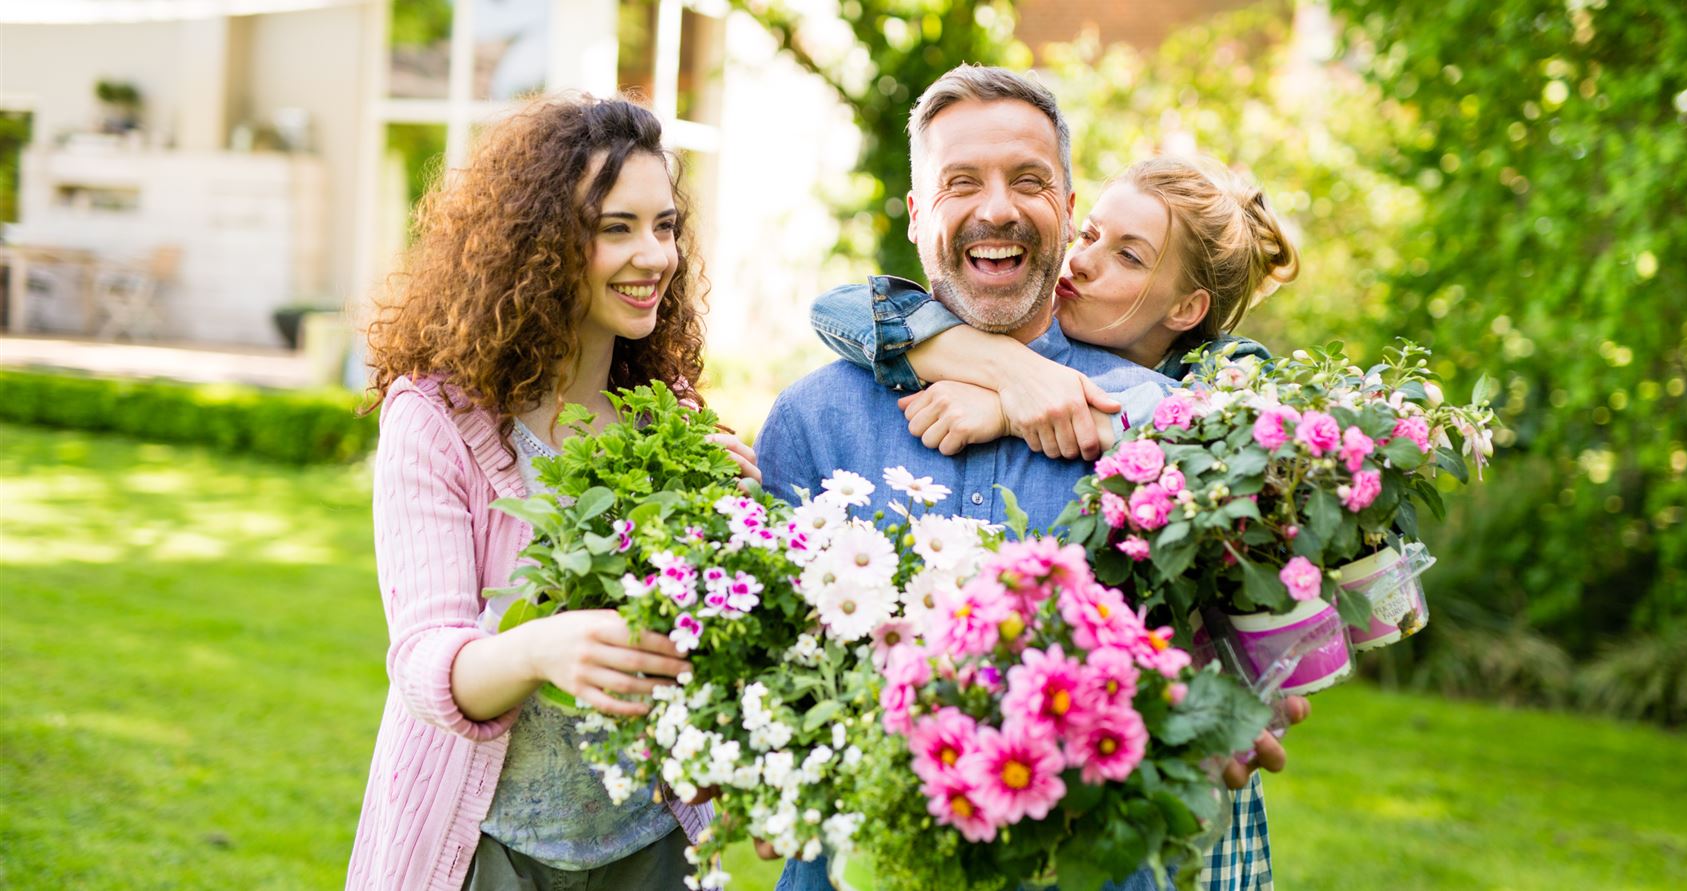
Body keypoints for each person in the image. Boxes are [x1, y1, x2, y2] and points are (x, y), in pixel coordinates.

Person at [757, 65, 1301, 891]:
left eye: (1030, 181)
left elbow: (1228, 641)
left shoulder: (1159, 424)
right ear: (917, 216)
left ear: (1068, 212)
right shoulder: (810, 422)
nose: (998, 207)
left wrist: (1224, 708)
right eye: (961, 182)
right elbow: (767, 675)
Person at [346, 95, 756, 891]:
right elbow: (425, 661)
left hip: (647, 848)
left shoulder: (669, 418)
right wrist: (540, 648)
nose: (655, 255)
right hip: (486, 851)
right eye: (616, 228)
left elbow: (702, 646)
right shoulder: (437, 420)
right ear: (541, 245)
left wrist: (733, 522)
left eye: (665, 225)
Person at [809, 152, 1295, 462]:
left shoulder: (1228, 368)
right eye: (1089, 234)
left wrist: (1009, 409)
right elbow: (837, 309)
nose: (1080, 260)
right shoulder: (1019, 332)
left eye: (1128, 255)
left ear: (1186, 310)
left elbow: (1249, 434)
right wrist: (1009, 368)